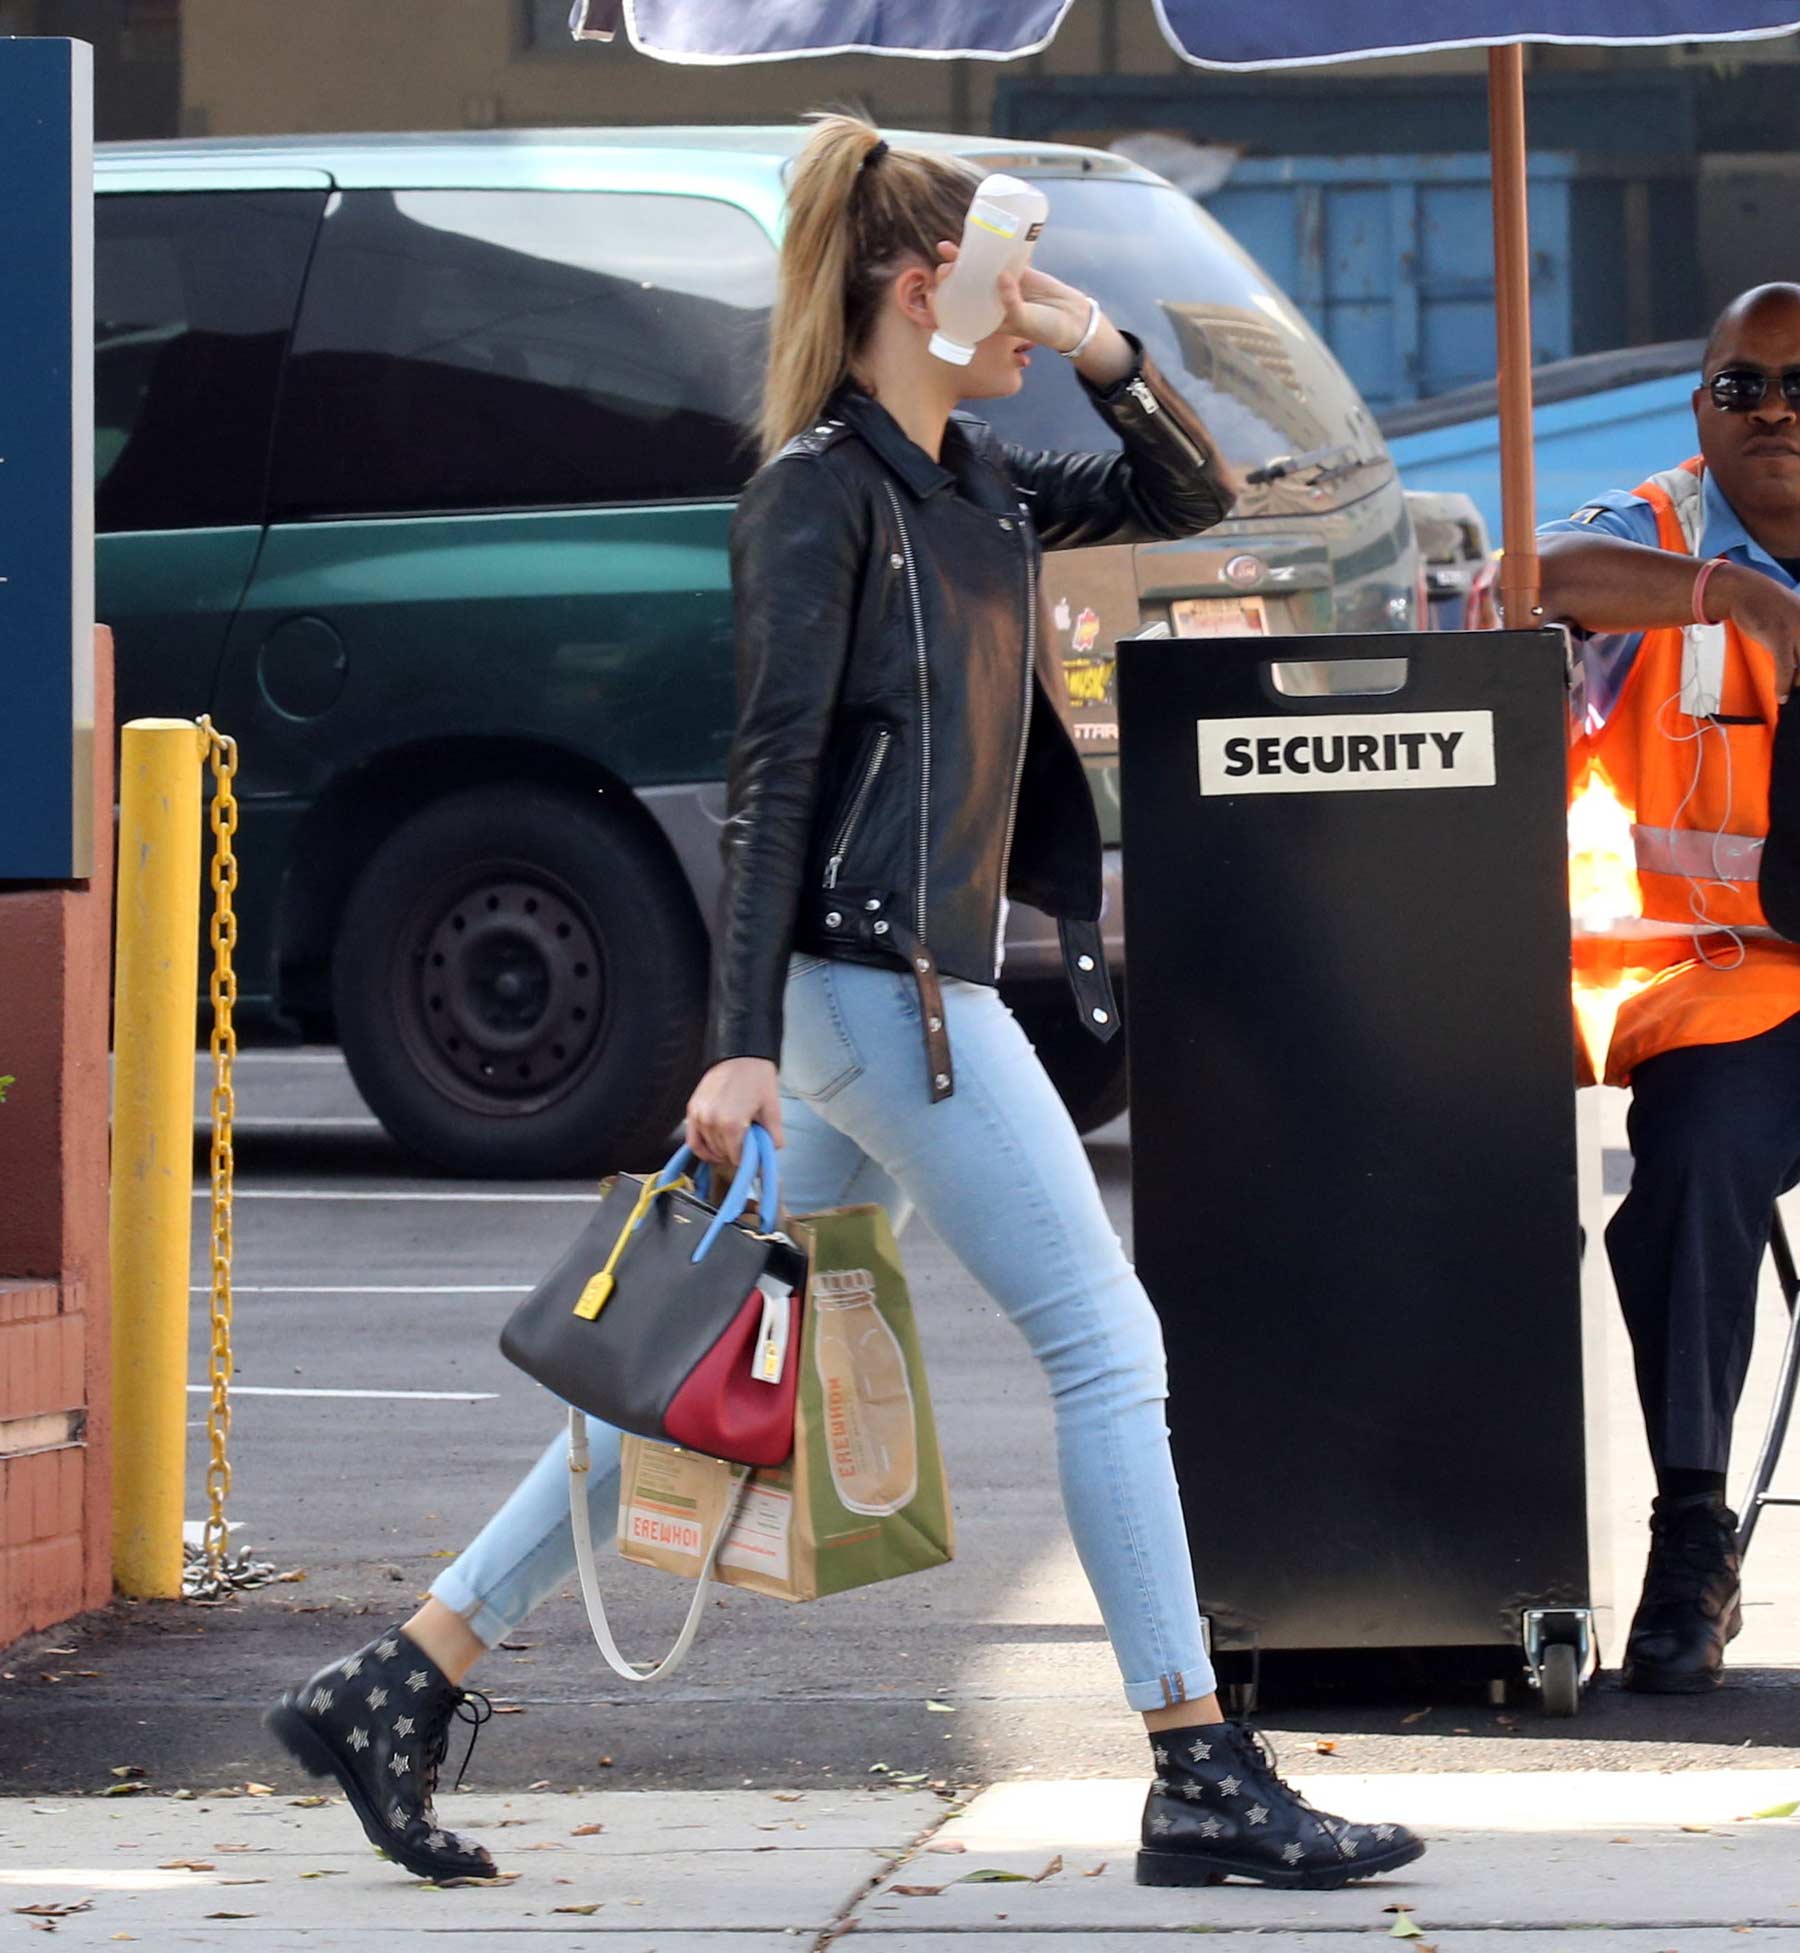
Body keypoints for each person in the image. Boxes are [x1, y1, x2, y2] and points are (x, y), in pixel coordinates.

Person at [266, 114, 1424, 1894]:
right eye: (1007, 284)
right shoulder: (817, 491)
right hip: (879, 995)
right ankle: (1195, 1757)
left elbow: (1200, 491)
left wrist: (1104, 344)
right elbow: (772, 776)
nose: (1035, 315)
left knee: (686, 1361)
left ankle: (402, 1674)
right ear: (916, 285)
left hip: (887, 998)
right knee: (1110, 1349)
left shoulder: (974, 484)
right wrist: (729, 1037)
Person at [1539, 281, 1800, 1693]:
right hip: (1730, 990)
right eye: (1744, 386)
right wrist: (1735, 594)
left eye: (1799, 387)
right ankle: (1694, 1534)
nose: (1774, 413)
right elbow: (1540, 573)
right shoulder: (1661, 523)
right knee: (1693, 1162)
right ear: (1703, 406)